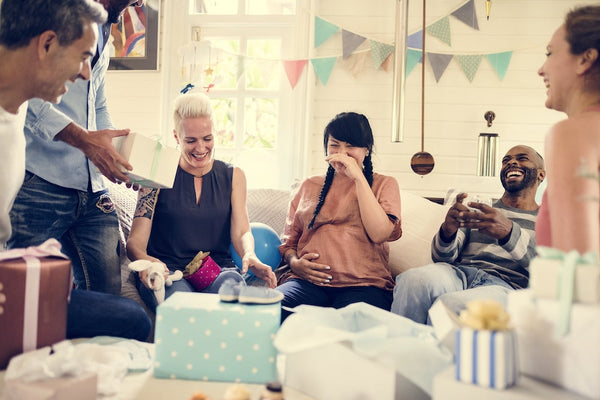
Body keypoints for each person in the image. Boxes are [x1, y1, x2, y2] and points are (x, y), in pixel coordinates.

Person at [0, 0, 151, 341]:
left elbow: (96, 102)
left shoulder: (95, 29)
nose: (85, 71)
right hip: (44, 179)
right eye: (82, 58)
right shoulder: (45, 30)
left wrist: (112, 151)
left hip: (92, 189)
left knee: (118, 313)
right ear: (48, 44)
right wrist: (85, 141)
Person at [126, 92, 277, 311]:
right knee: (184, 309)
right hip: (167, 272)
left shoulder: (234, 176)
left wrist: (249, 254)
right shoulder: (157, 174)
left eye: (207, 138)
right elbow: (135, 243)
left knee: (232, 301)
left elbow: (242, 231)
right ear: (177, 137)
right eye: (191, 140)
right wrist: (148, 263)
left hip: (217, 270)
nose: (200, 148)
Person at [391, 145, 545, 324]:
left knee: (452, 305)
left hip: (505, 286)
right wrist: (448, 231)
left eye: (522, 158)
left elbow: (548, 271)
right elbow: (442, 258)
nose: (512, 162)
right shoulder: (479, 209)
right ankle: (399, 349)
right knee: (413, 280)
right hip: (459, 274)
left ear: (541, 174)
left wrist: (509, 233)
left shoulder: (547, 220)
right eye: (506, 160)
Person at [276, 112, 402, 322]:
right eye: (334, 145)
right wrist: (295, 263)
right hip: (306, 283)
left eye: (350, 146)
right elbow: (289, 243)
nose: (341, 153)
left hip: (364, 285)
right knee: (268, 310)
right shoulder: (308, 186)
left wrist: (358, 177)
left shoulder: (385, 184)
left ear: (366, 149)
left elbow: (379, 233)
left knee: (346, 327)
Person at [536, 5, 600, 255]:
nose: (541, 69)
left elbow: (578, 266)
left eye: (550, 53)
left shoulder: (570, 134)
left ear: (585, 59)